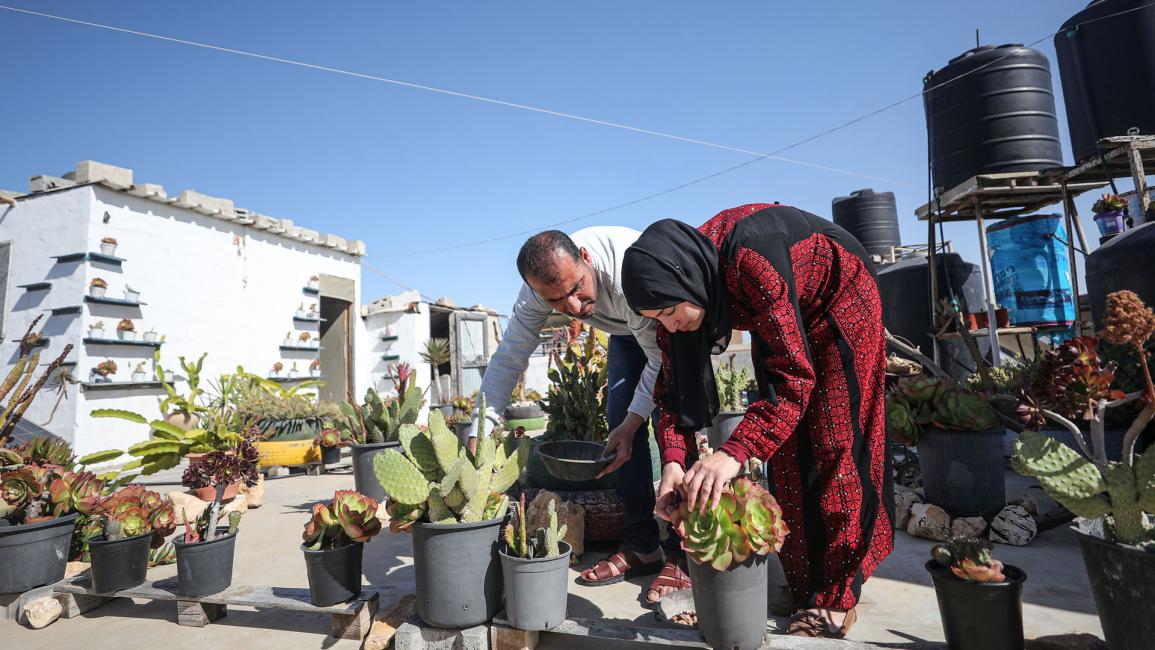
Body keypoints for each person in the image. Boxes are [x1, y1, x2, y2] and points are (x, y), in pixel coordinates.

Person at [621, 203, 894, 639]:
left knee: (836, 442)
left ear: (687, 278)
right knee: (785, 458)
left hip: (841, 303)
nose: (670, 326)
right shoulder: (679, 295)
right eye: (658, 320)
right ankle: (808, 588)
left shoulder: (752, 259)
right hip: (787, 314)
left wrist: (732, 453)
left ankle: (837, 599)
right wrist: (673, 460)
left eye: (671, 313)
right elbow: (670, 392)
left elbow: (793, 381)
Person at [468, 228, 689, 604]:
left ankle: (685, 555)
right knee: (618, 419)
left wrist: (635, 421)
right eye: (555, 300)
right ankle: (642, 544)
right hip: (625, 331)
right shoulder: (536, 294)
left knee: (676, 417)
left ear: (586, 258)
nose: (572, 307)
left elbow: (659, 361)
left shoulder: (626, 270)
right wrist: (480, 430)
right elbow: (509, 358)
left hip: (665, 319)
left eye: (577, 289)